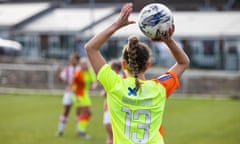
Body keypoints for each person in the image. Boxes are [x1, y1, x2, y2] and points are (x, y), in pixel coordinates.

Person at [84, 3, 190, 144]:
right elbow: (183, 62)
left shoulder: (114, 85)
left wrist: (116, 25)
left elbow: (91, 48)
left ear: (123, 64)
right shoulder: (159, 88)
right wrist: (168, 40)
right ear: (148, 64)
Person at [71, 57, 98, 139]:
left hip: (85, 94)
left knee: (86, 113)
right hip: (79, 95)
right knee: (86, 112)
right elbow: (74, 86)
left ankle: (80, 129)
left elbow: (94, 80)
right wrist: (77, 96)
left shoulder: (88, 72)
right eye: (82, 64)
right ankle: (81, 132)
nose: (84, 65)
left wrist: (94, 84)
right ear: (80, 65)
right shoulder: (78, 73)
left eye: (85, 64)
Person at [56, 53, 80, 136]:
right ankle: (60, 130)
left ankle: (79, 131)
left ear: (77, 60)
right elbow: (60, 80)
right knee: (66, 111)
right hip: (69, 93)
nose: (71, 60)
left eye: (72, 59)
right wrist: (58, 72)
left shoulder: (80, 69)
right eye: (70, 59)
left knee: (79, 112)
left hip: (79, 93)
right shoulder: (67, 69)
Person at [101, 59, 122, 144]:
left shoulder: (121, 79)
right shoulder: (109, 78)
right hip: (108, 107)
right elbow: (105, 93)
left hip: (117, 108)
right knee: (109, 133)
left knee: (113, 134)